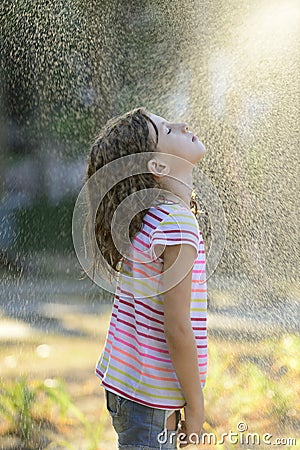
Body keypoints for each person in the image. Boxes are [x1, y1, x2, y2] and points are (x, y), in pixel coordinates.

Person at [86, 107, 207, 449]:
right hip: (149, 401)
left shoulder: (148, 220)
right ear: (157, 167)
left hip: (131, 390)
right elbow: (178, 329)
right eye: (168, 130)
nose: (183, 124)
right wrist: (195, 408)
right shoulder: (176, 225)